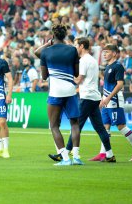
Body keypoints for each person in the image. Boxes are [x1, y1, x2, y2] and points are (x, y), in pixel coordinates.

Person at [48, 38, 116, 162]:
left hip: (87, 97)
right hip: (94, 96)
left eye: (76, 45)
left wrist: (64, 79)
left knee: (76, 125)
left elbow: (79, 80)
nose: (75, 48)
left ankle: (66, 153)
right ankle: (110, 155)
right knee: (99, 127)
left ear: (82, 46)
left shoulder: (84, 61)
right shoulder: (93, 60)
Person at [35, 23, 82, 166]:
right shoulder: (73, 50)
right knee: (74, 123)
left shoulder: (46, 52)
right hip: (70, 90)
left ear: (53, 35)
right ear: (65, 35)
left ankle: (65, 158)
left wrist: (48, 44)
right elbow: (76, 73)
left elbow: (44, 76)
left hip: (56, 91)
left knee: (54, 125)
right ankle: (77, 157)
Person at [95, 44, 132, 161]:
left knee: (121, 126)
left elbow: (120, 84)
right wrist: (103, 98)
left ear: (114, 53)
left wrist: (108, 98)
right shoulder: (108, 67)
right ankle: (103, 153)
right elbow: (107, 85)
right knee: (105, 126)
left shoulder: (118, 66)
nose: (104, 54)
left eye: (107, 52)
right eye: (104, 52)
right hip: (107, 100)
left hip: (115, 100)